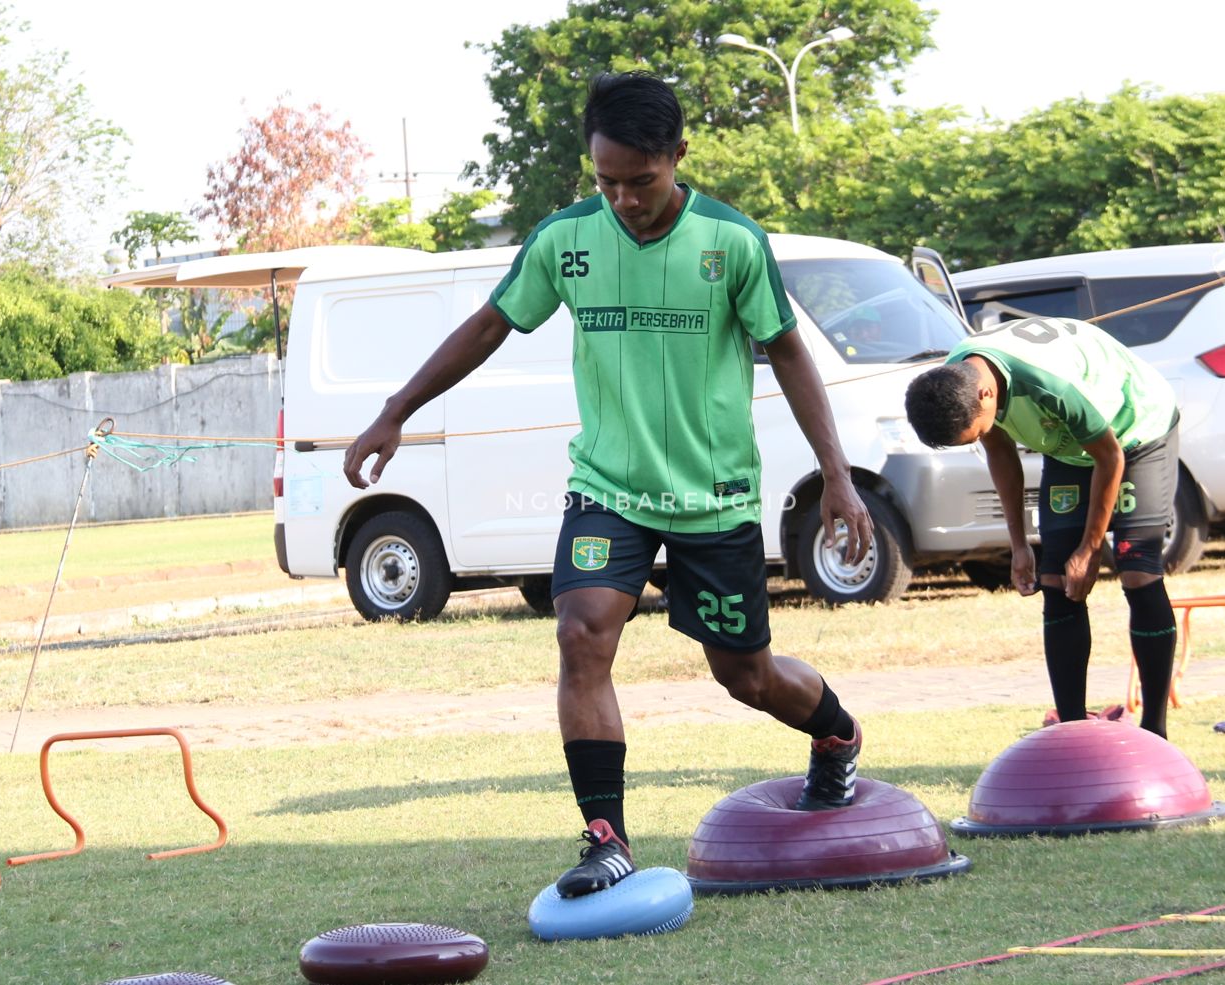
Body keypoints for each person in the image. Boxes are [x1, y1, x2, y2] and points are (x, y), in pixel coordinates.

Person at [344, 71, 874, 898]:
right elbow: (489, 322)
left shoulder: (731, 243)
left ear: (678, 157)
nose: (623, 199)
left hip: (714, 497)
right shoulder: (565, 240)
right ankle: (606, 837)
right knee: (581, 632)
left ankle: (836, 736)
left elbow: (790, 352)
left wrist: (836, 476)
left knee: (746, 675)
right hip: (608, 489)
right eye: (606, 182)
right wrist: (395, 408)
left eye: (641, 181)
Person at [903, 315, 1179, 739]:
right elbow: (1001, 454)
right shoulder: (963, 380)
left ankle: (1156, 732)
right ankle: (1071, 732)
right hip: (1070, 449)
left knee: (1137, 568)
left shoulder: (1049, 384)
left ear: (986, 393)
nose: (981, 437)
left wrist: (1089, 550)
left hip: (1134, 433)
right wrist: (1018, 544)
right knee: (1055, 579)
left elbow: (1110, 458)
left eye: (975, 432)